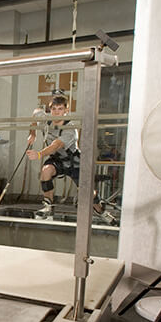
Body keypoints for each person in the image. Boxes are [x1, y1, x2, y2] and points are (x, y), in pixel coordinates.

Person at [26, 91, 113, 223]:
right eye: (53, 109)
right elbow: (35, 113)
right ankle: (48, 207)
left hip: (74, 161)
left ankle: (101, 210)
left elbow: (56, 145)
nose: (56, 112)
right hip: (57, 160)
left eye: (60, 109)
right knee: (46, 171)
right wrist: (33, 134)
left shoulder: (71, 129)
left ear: (66, 110)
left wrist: (38, 154)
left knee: (87, 193)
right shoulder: (45, 119)